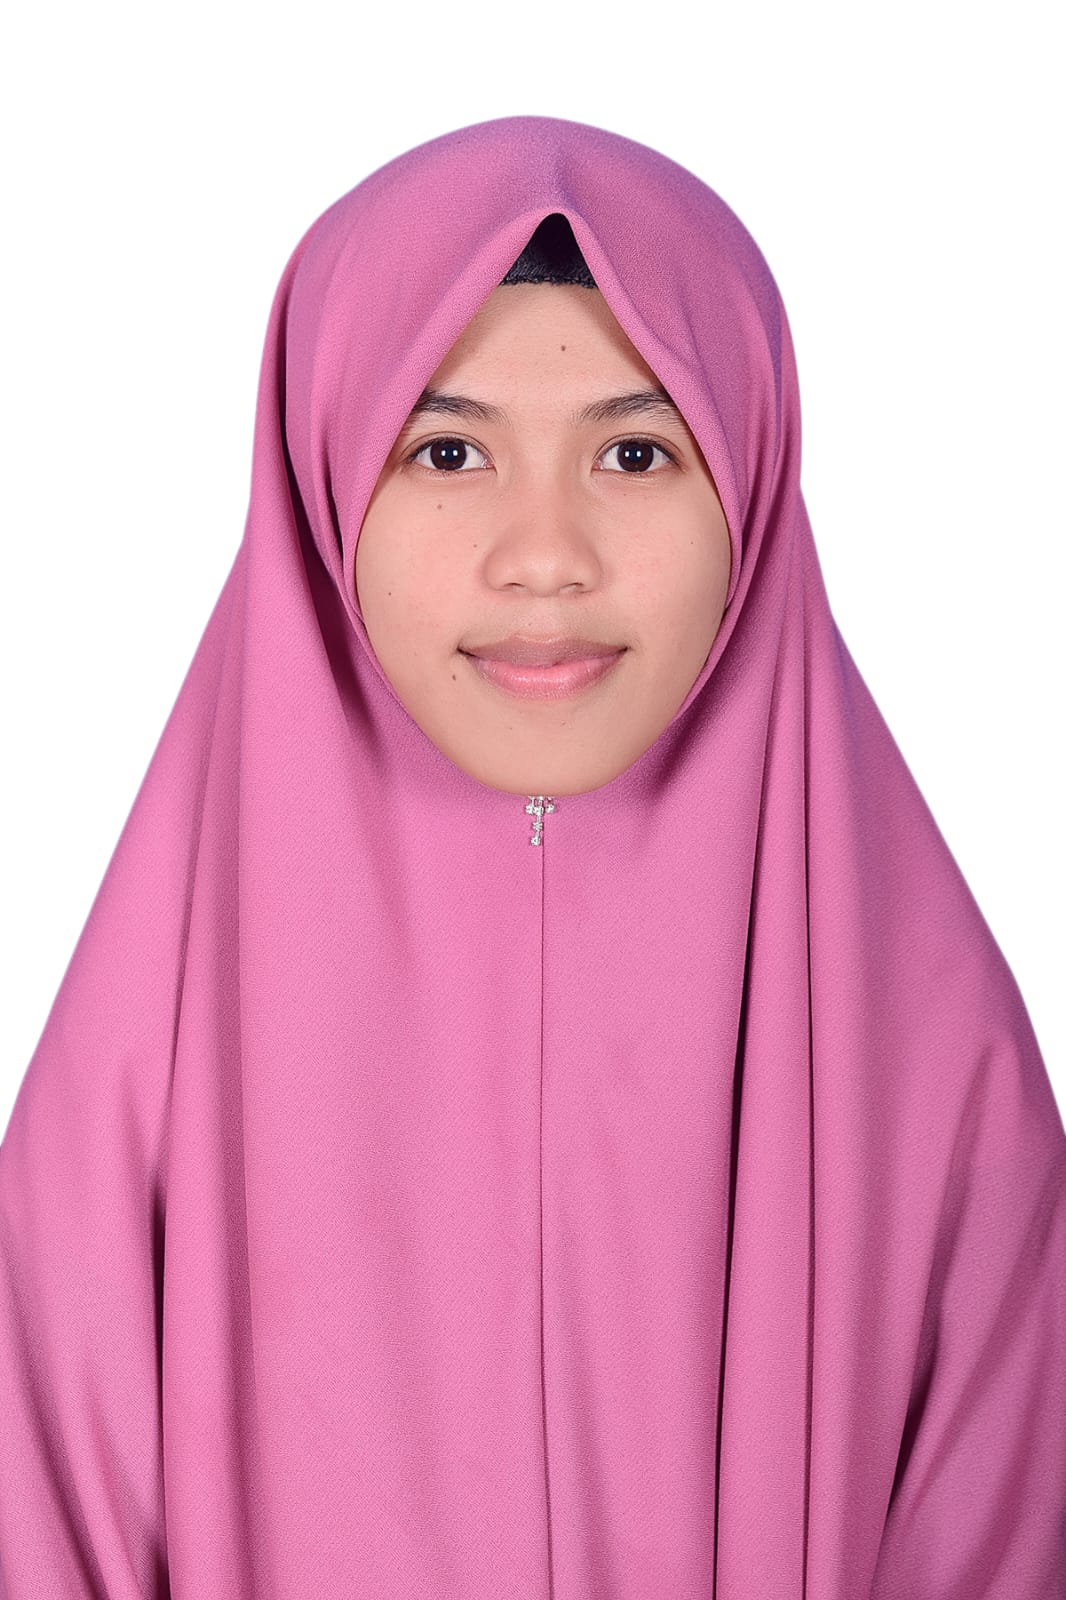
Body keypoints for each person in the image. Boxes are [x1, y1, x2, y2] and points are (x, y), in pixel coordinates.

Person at [0, 115, 1063, 1598]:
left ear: (753, 485)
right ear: (319, 486)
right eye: (448, 451)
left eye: (634, 451)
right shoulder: (142, 1071)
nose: (545, 553)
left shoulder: (941, 1067)